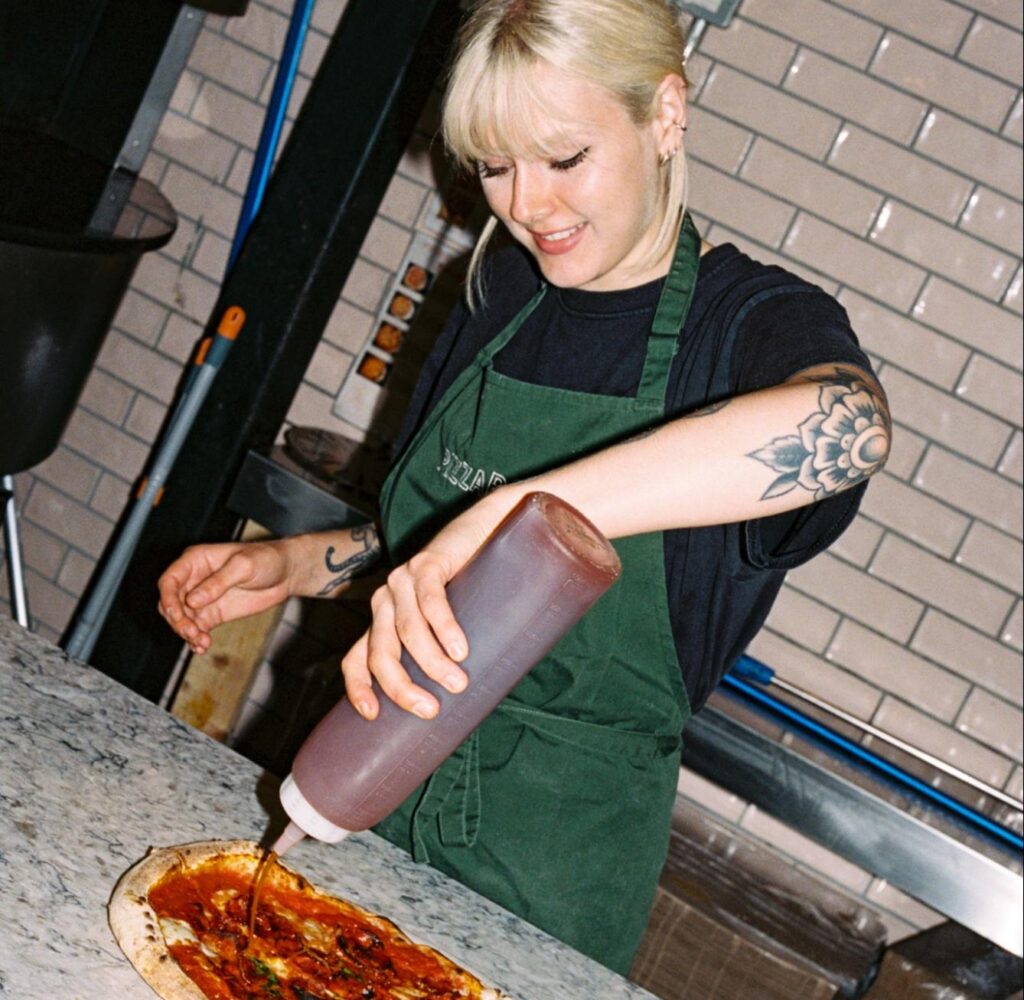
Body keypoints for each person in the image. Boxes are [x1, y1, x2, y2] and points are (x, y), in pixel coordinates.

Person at [158, 0, 891, 975]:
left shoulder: (745, 326)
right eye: (495, 167)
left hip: (546, 880)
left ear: (664, 115)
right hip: (365, 786)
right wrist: (294, 562)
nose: (527, 205)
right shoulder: (496, 290)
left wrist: (535, 511)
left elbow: (847, 428)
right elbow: (434, 559)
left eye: (564, 157)